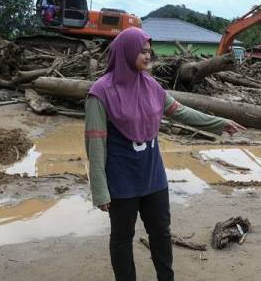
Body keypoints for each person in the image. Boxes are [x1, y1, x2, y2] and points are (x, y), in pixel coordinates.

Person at [84, 27, 245, 281]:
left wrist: (217, 122)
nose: (148, 56)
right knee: (122, 239)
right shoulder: (100, 92)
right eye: (142, 51)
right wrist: (100, 189)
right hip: (121, 179)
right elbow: (95, 145)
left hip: (153, 176)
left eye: (149, 51)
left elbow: (180, 111)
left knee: (160, 232)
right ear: (125, 52)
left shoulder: (151, 86)